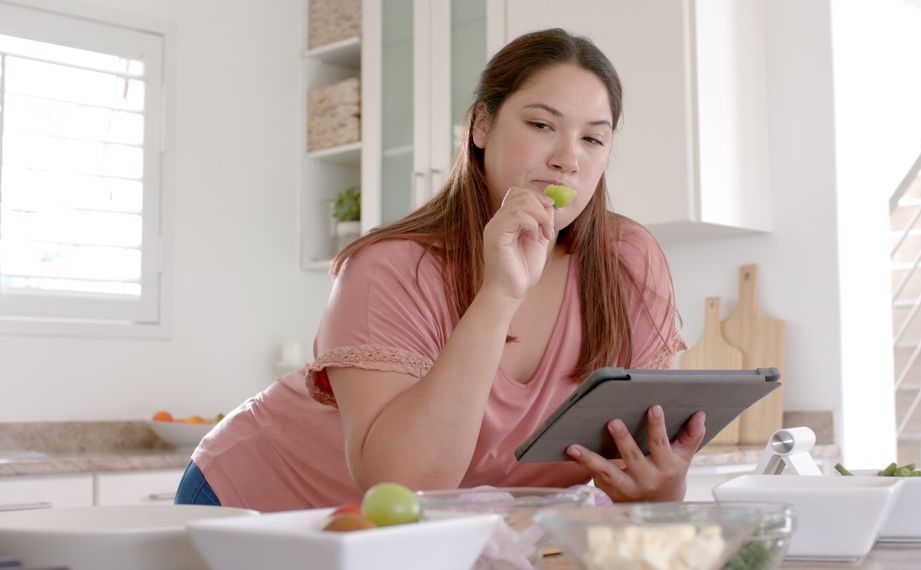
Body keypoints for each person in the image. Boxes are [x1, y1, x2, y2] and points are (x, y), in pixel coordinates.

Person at [175, 28, 703, 512]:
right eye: (542, 125)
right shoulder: (390, 268)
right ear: (480, 125)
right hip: (262, 500)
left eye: (593, 138)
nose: (569, 159)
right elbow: (403, 486)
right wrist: (499, 295)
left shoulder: (628, 261)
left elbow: (644, 456)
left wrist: (663, 486)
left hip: (437, 531)